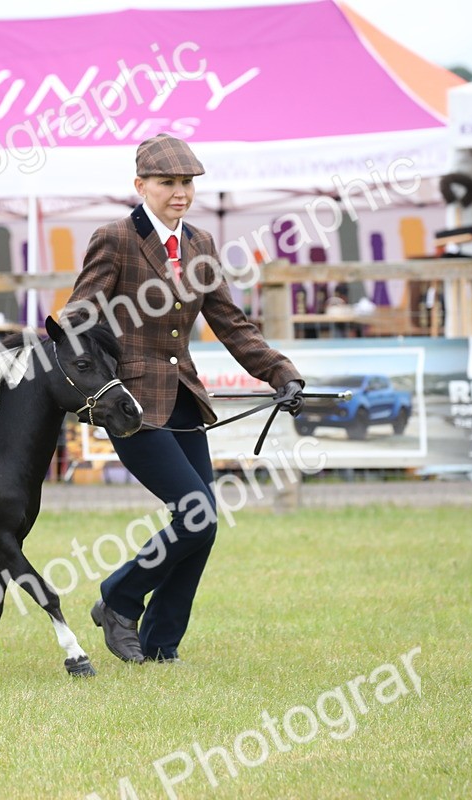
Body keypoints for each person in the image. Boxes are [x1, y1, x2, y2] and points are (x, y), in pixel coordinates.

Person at [61, 133, 305, 664]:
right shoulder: (116, 238)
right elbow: (76, 315)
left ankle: (160, 644)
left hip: (184, 402)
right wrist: (100, 372)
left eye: (187, 183)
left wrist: (280, 372)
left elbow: (231, 323)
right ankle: (120, 598)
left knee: (203, 525)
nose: (180, 193)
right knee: (198, 516)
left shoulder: (200, 246)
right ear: (140, 185)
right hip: (132, 406)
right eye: (168, 182)